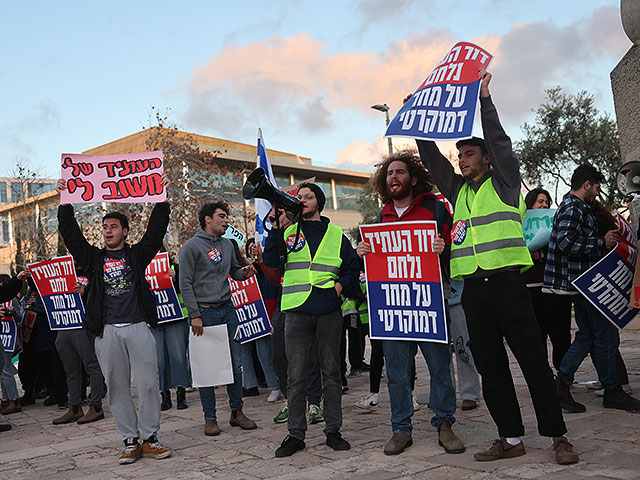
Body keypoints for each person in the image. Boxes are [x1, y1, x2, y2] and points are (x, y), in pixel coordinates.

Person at [417, 69, 578, 465]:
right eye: (460, 156)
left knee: (532, 362)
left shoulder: (505, 181)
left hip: (508, 285)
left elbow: (501, 142)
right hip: (473, 290)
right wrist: (419, 123)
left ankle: (558, 437)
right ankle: (509, 437)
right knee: (491, 366)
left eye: (468, 154)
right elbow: (433, 161)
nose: (462, 160)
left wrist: (484, 100)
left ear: (486, 159)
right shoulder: (457, 190)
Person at [56, 176, 172, 464]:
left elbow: (156, 231)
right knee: (117, 387)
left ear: (125, 231)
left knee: (147, 384)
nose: (108, 231)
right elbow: (71, 235)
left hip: (137, 328)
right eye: (105, 227)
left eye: (113, 227)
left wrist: (162, 197)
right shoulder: (93, 259)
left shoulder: (138, 255)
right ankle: (130, 440)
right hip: (106, 333)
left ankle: (150, 438)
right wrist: (65, 201)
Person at [356, 150, 464, 456]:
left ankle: (444, 423)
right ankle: (401, 429)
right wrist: (365, 251)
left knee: (440, 368)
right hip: (394, 308)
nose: (394, 177)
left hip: (429, 304)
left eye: (400, 172)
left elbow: (457, 245)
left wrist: (444, 247)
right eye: (389, 173)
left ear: (413, 179)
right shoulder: (382, 217)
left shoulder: (435, 209)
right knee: (398, 372)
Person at [263, 182, 360, 457]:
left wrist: (339, 288)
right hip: (295, 310)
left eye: (308, 196)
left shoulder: (336, 234)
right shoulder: (288, 231)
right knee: (296, 376)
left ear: (319, 201)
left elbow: (353, 268)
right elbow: (271, 260)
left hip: (328, 310)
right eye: (299, 197)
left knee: (331, 372)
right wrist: (276, 225)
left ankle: (333, 430)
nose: (303, 200)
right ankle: (295, 435)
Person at [546, 165, 640, 414]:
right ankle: (612, 391)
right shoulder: (574, 207)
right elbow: (566, 242)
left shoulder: (573, 206)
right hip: (586, 284)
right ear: (587, 184)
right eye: (596, 187)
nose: (597, 193)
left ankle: (562, 386)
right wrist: (602, 241)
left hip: (583, 284)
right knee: (606, 336)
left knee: (587, 336)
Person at [179, 201, 258, 437]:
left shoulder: (227, 244)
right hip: (204, 314)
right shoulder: (190, 247)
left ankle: (237, 412)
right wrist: (195, 314)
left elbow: (233, 271)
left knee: (235, 364)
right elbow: (185, 283)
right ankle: (210, 418)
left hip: (228, 310)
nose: (226, 221)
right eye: (222, 216)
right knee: (207, 368)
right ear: (207, 219)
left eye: (227, 217)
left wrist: (243, 274)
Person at [253, 207, 325, 426]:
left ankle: (314, 403)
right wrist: (263, 261)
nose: (278, 217)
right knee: (278, 355)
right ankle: (290, 399)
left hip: (308, 302)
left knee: (310, 356)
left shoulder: (303, 234)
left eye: (282, 213)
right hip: (286, 302)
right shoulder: (279, 236)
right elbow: (275, 276)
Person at [523, 188, 572, 372]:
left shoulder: (556, 225)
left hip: (553, 286)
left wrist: (542, 253)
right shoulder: (519, 223)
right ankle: (543, 373)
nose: (544, 205)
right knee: (537, 334)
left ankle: (564, 372)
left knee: (560, 333)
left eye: (547, 202)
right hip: (531, 288)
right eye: (540, 201)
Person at [52, 276, 106, 425]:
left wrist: (86, 292)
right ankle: (74, 407)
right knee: (71, 371)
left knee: (92, 366)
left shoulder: (89, 268)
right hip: (63, 325)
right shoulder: (60, 272)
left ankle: (96, 406)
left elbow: (101, 292)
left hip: (82, 325)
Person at [153, 261, 191, 412]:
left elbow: (186, 287)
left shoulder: (176, 267)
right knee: (159, 360)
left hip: (176, 316)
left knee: (178, 357)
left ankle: (181, 393)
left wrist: (175, 279)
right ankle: (165, 395)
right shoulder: (141, 267)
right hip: (155, 320)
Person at [0, 270, 28, 432]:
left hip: (7, 337)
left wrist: (17, 280)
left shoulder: (9, 296)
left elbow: (5, 294)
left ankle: (11, 400)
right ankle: (8, 399)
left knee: (5, 369)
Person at [448, 279, 481, 411]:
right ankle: (444, 394)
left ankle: (470, 394)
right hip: (433, 296)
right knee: (439, 353)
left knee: (464, 349)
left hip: (458, 297)